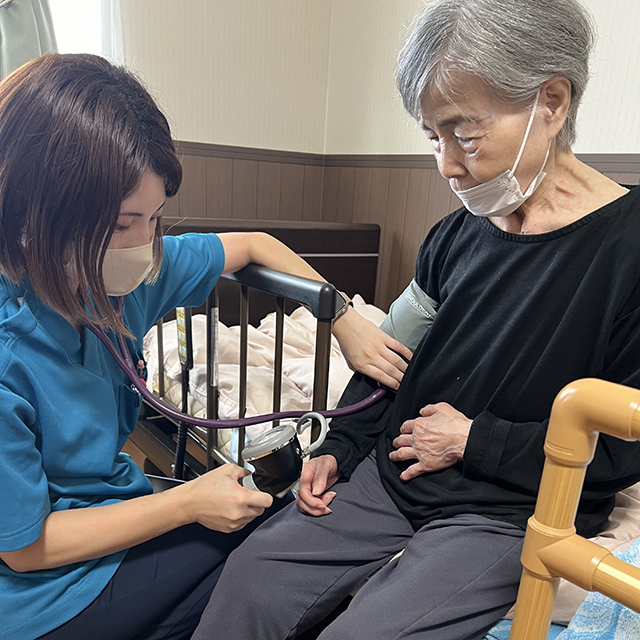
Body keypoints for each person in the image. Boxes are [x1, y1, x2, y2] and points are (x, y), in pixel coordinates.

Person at [192, 1, 640, 639]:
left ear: (552, 102)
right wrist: (341, 447)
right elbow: (389, 352)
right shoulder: (454, 235)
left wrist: (473, 441)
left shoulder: (628, 249)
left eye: (465, 134)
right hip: (394, 473)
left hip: (513, 509)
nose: (447, 165)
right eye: (433, 137)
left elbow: (625, 447)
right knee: (251, 576)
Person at [0, 53, 412, 640]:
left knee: (276, 545)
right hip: (40, 592)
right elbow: (23, 548)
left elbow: (255, 244)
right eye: (121, 225)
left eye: (155, 218)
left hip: (106, 512)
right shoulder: (11, 348)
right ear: (34, 213)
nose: (144, 245)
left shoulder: (117, 279)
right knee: (273, 561)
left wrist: (342, 317)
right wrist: (187, 503)